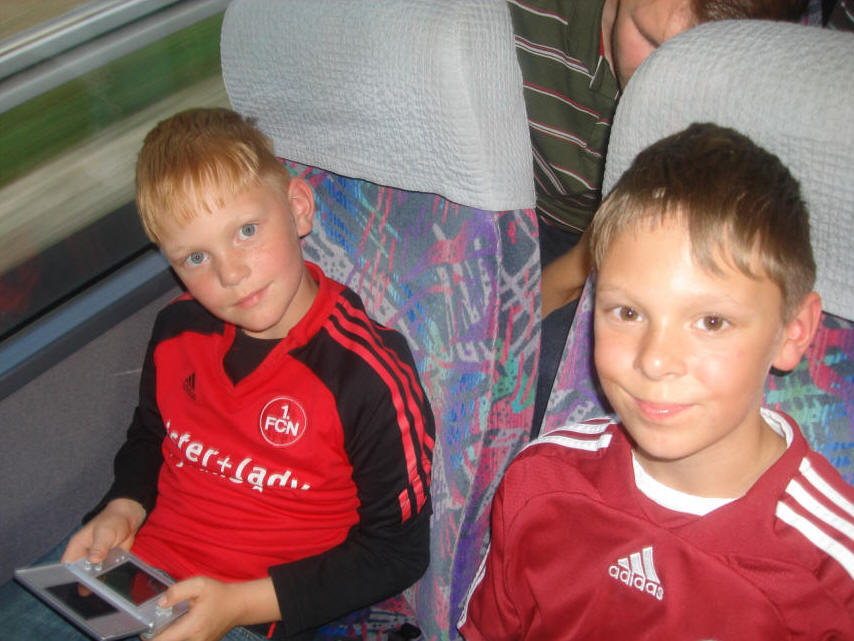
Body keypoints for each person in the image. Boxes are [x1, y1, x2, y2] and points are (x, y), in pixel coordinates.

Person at [2, 108, 435, 641]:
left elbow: (397, 553)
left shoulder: (366, 375)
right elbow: (151, 436)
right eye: (195, 258)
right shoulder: (177, 330)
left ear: (298, 209)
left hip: (249, 611)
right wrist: (123, 506)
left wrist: (235, 606)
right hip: (133, 573)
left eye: (246, 231)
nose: (230, 273)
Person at [458, 123, 854, 640]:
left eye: (711, 321)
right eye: (627, 312)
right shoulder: (540, 482)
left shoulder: (831, 574)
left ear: (793, 331)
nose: (655, 360)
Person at [511, 0, 811, 433]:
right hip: (521, 212)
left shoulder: (755, 87)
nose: (667, 76)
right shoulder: (519, 17)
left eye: (701, 61)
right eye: (649, 39)